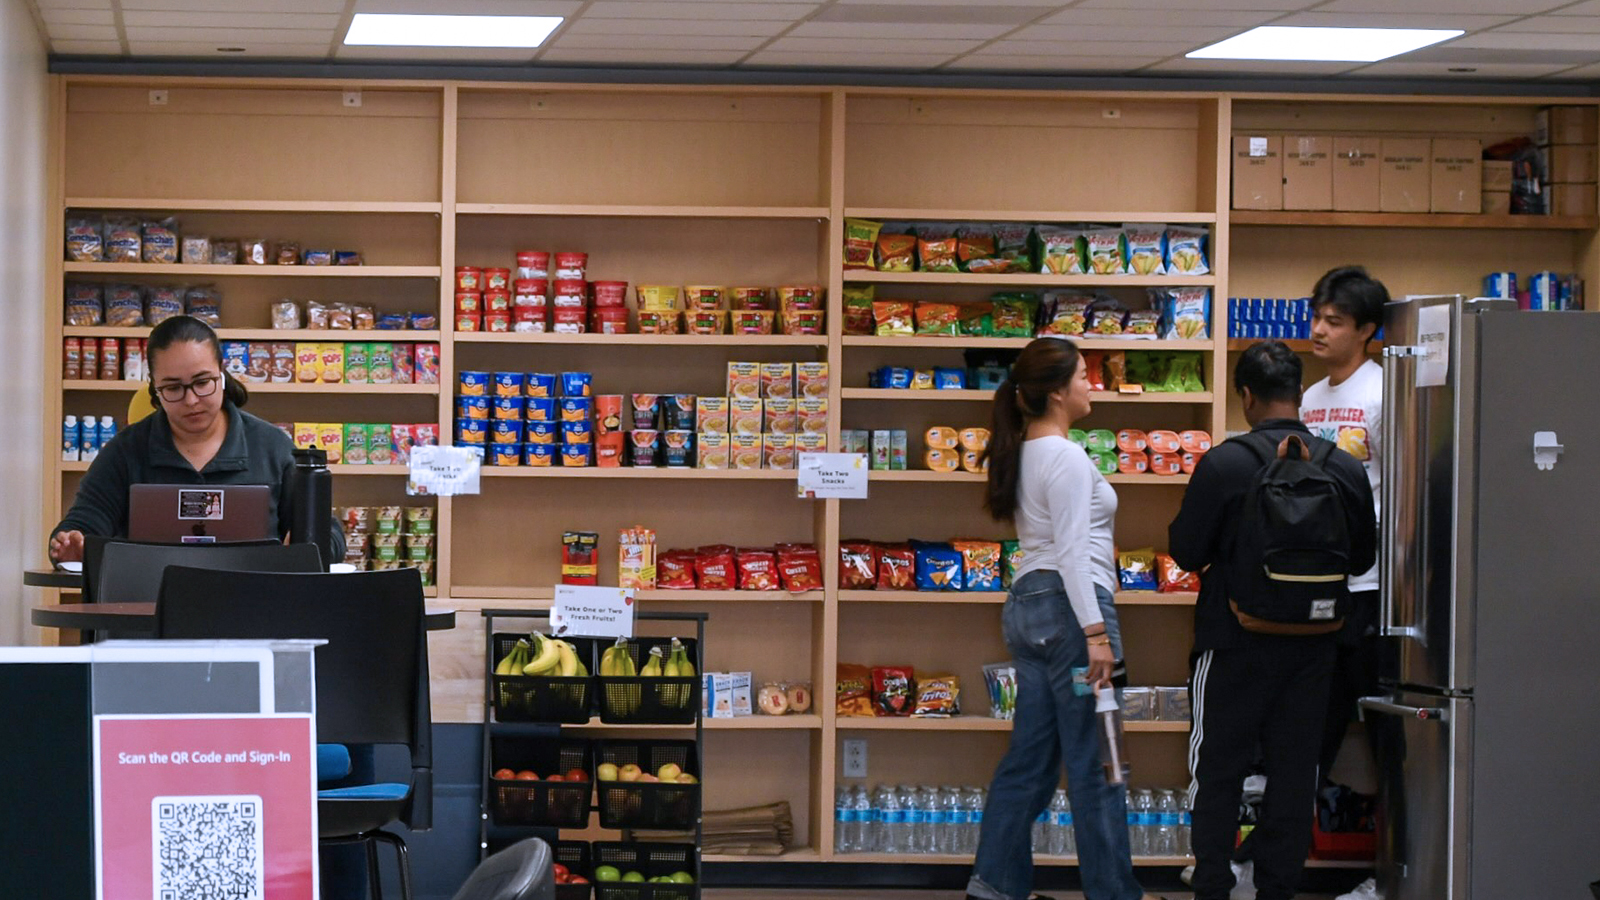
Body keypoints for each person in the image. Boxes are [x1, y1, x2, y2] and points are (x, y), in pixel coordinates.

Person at [1169, 342, 1377, 900]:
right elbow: (1361, 560)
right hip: (1315, 648)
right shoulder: (1343, 466)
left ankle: (1213, 884)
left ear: (1245, 396)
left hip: (1231, 641)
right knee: (1294, 774)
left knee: (1218, 770)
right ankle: (1278, 888)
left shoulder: (1225, 462)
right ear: (1298, 393)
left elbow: (1187, 551)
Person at [966, 337, 1157, 900]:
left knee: (1031, 758)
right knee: (1101, 760)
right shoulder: (1068, 457)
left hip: (1027, 608)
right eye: (1081, 376)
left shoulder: (1021, 452)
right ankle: (1115, 893)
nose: (1089, 384)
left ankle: (994, 884)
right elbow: (1074, 553)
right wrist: (1097, 633)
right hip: (1077, 617)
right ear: (1056, 392)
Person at [50, 315, 344, 565]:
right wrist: (71, 545)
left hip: (253, 614)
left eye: (203, 383)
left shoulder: (272, 447)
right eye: (173, 388)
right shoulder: (125, 451)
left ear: (223, 375)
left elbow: (330, 536)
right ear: (154, 388)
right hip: (147, 615)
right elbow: (80, 527)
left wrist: (308, 548)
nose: (191, 400)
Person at [1300, 266, 1389, 900]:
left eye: (1334, 321)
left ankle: (1391, 874)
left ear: (1366, 330)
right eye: (1317, 317)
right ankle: (1276, 861)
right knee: (1311, 729)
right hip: (1316, 585)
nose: (1319, 330)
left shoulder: (1384, 393)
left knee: (1389, 738)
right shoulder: (1309, 400)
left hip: (1377, 587)